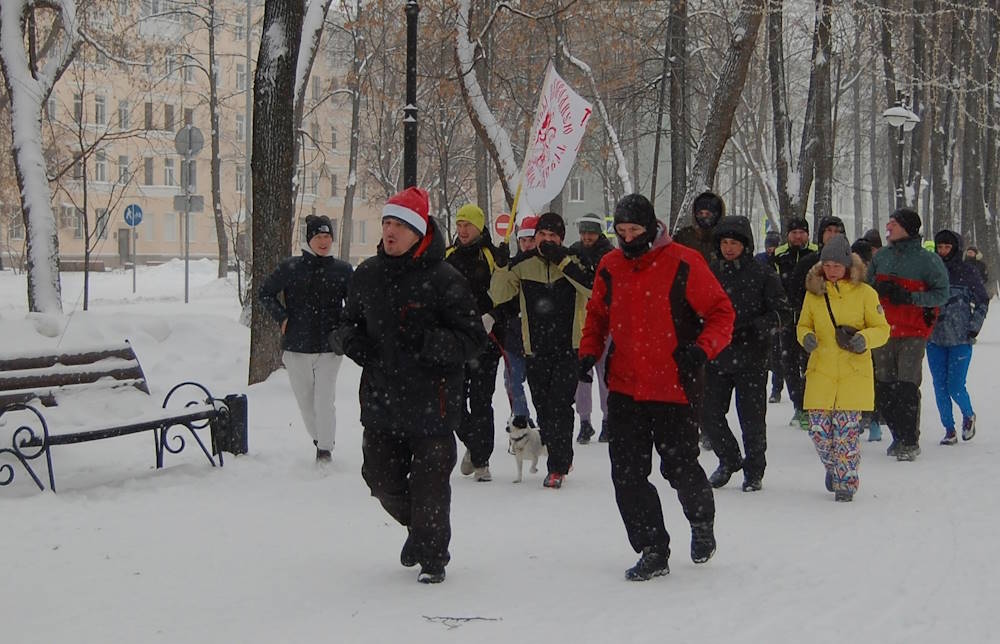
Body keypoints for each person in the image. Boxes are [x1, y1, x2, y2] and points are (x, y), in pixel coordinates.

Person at [330, 187, 486, 584]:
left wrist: (430, 343)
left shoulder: (445, 278)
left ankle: (434, 558)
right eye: (386, 223)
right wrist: (352, 343)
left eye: (399, 225)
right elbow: (345, 325)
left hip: (433, 403)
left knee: (431, 485)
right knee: (380, 480)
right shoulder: (367, 274)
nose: (389, 232)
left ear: (419, 232)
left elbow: (473, 338)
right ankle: (420, 533)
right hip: (382, 401)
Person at [579, 193, 734, 580]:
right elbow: (597, 315)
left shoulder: (684, 261)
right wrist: (587, 353)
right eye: (621, 231)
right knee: (627, 473)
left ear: (651, 228)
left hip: (675, 386)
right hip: (626, 386)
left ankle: (701, 522)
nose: (627, 238)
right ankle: (652, 547)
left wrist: (701, 350)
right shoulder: (610, 266)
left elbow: (721, 312)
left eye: (635, 230)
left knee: (679, 467)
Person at [490, 212, 593, 489]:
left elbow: (593, 290)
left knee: (560, 405)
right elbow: (499, 296)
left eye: (553, 237)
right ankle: (562, 454)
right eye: (542, 236)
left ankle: (557, 466)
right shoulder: (523, 264)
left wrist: (562, 260)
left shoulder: (575, 261)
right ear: (534, 238)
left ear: (561, 239)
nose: (547, 241)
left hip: (569, 348)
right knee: (544, 408)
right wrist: (501, 267)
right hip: (534, 349)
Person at [703, 216, 792, 492]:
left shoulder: (762, 273)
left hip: (751, 356)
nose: (729, 248)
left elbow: (783, 313)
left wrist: (758, 327)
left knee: (751, 419)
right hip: (716, 355)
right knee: (707, 414)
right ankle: (728, 459)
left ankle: (754, 470)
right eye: (725, 243)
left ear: (746, 245)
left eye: (735, 243)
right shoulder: (710, 272)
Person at [797, 235, 889, 501]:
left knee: (846, 435)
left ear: (848, 265)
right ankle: (835, 468)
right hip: (821, 372)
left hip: (853, 374)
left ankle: (846, 482)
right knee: (818, 432)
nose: (832, 270)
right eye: (827, 265)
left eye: (837, 265)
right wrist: (806, 338)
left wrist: (864, 339)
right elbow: (803, 325)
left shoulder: (866, 294)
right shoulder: (814, 294)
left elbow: (882, 329)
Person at [259, 214, 353, 463]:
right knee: (305, 400)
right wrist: (282, 317)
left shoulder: (342, 270)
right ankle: (320, 437)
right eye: (318, 236)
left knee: (325, 399)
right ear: (309, 239)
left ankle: (324, 450)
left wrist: (342, 327)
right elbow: (265, 293)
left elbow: (354, 304)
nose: (324, 241)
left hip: (329, 348)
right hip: (297, 346)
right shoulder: (290, 268)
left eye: (327, 236)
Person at [866, 208, 949, 461]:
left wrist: (910, 297)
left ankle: (910, 440)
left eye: (893, 224)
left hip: (913, 332)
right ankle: (898, 434)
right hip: (883, 330)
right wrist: (876, 288)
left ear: (908, 228)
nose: (888, 227)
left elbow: (942, 294)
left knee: (907, 385)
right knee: (884, 386)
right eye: (888, 222)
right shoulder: (881, 257)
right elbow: (867, 291)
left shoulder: (928, 260)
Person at [445, 203, 504, 482]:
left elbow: (507, 296)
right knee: (453, 401)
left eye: (467, 224)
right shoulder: (448, 256)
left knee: (482, 400)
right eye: (459, 224)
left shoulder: (492, 257)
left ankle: (482, 460)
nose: (463, 229)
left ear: (479, 227)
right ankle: (474, 443)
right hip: (456, 341)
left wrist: (492, 315)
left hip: (486, 342)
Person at [785, 215, 847, 429]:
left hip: (843, 331)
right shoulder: (809, 263)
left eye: (837, 231)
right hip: (812, 328)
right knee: (809, 370)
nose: (832, 235)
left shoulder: (852, 264)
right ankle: (807, 409)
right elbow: (794, 294)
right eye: (828, 231)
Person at [927, 230, 988, 445]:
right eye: (940, 247)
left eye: (947, 247)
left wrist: (974, 327)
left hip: (961, 338)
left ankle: (968, 414)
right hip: (934, 339)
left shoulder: (968, 272)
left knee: (955, 385)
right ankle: (949, 429)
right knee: (939, 385)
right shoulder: (931, 272)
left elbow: (982, 301)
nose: (943, 251)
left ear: (956, 248)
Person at [569, 212, 615, 444]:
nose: (587, 237)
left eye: (591, 232)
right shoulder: (574, 252)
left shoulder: (609, 255)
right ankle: (585, 422)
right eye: (584, 232)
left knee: (605, 374)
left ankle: (608, 421)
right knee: (582, 376)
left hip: (605, 322)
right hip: (580, 320)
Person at [499, 216, 539, 429]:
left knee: (538, 382)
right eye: (523, 240)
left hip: (539, 337)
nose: (526, 244)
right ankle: (521, 416)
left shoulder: (546, 266)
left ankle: (545, 418)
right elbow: (502, 295)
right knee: (513, 380)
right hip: (515, 335)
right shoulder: (513, 265)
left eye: (530, 239)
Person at [772, 218, 815, 409]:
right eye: (794, 233)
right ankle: (798, 404)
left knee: (810, 359)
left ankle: (811, 401)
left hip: (811, 314)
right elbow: (772, 281)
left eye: (802, 232)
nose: (798, 236)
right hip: (787, 315)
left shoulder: (815, 253)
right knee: (788, 360)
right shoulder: (779, 255)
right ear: (787, 235)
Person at [674, 191, 725, 262]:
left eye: (708, 214)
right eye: (700, 213)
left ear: (716, 216)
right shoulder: (683, 237)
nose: (704, 217)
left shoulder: (725, 238)